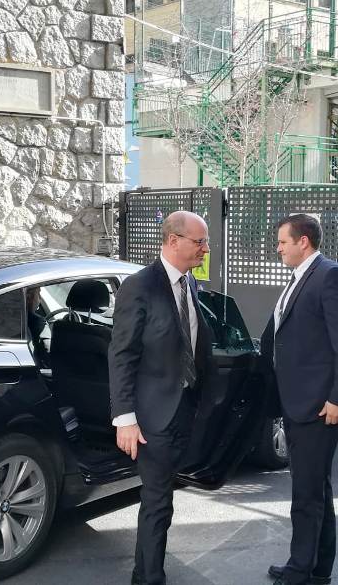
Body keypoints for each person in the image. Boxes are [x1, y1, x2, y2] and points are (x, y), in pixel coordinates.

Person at [108, 210, 212, 585]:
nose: (205, 249)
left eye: (205, 242)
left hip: (184, 409)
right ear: (173, 241)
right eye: (199, 242)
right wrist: (125, 418)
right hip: (152, 416)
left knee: (162, 498)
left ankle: (145, 574)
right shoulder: (140, 286)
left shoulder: (190, 283)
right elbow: (122, 354)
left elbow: (192, 343)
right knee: (157, 502)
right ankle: (149, 578)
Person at [260, 213, 338, 585]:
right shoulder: (299, 278)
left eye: (282, 242)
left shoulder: (331, 276)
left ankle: (300, 571)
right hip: (297, 402)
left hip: (320, 406)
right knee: (316, 487)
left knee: (307, 492)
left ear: (303, 241)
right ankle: (316, 568)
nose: (278, 248)